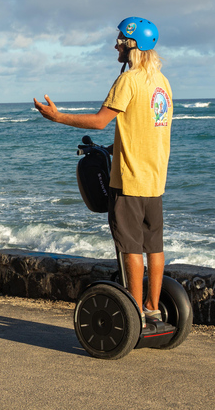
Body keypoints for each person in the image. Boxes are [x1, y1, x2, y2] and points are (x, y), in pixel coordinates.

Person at [33, 17, 172, 329]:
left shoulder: (129, 80)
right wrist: (112, 148)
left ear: (133, 45)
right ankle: (153, 309)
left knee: (131, 248)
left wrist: (57, 117)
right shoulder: (161, 83)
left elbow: (99, 121)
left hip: (129, 180)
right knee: (154, 246)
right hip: (155, 180)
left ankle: (135, 313)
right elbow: (144, 129)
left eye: (121, 41)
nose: (116, 46)